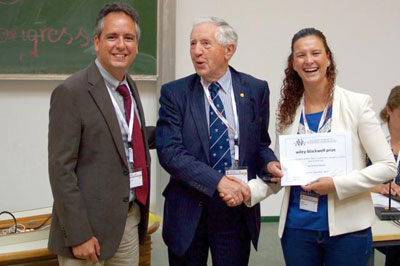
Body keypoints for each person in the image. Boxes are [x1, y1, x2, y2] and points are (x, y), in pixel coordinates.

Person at [245, 28, 397, 266]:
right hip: (297, 231)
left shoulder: (356, 105)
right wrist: (248, 190)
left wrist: (336, 185)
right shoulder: (286, 114)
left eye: (315, 53)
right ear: (293, 64)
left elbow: (388, 167)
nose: (309, 61)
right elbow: (283, 175)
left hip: (348, 233)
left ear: (328, 58)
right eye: (300, 55)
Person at [155, 17, 277, 266]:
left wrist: (270, 163)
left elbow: (260, 144)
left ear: (229, 50)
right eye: (192, 43)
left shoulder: (255, 89)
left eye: (205, 44)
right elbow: (170, 153)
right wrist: (218, 182)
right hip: (189, 211)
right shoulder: (175, 93)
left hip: (236, 210)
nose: (196, 51)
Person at [48, 3, 154, 266]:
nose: (121, 45)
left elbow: (126, 139)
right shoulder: (71, 92)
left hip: (127, 222)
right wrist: (79, 234)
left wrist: (174, 131)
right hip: (87, 234)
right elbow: (60, 169)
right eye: (112, 37)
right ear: (96, 42)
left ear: (137, 46)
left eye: (128, 38)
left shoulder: (128, 85)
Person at [370, 86, 400, 266]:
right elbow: (353, 177)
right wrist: (379, 187)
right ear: (388, 110)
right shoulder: (372, 137)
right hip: (371, 209)